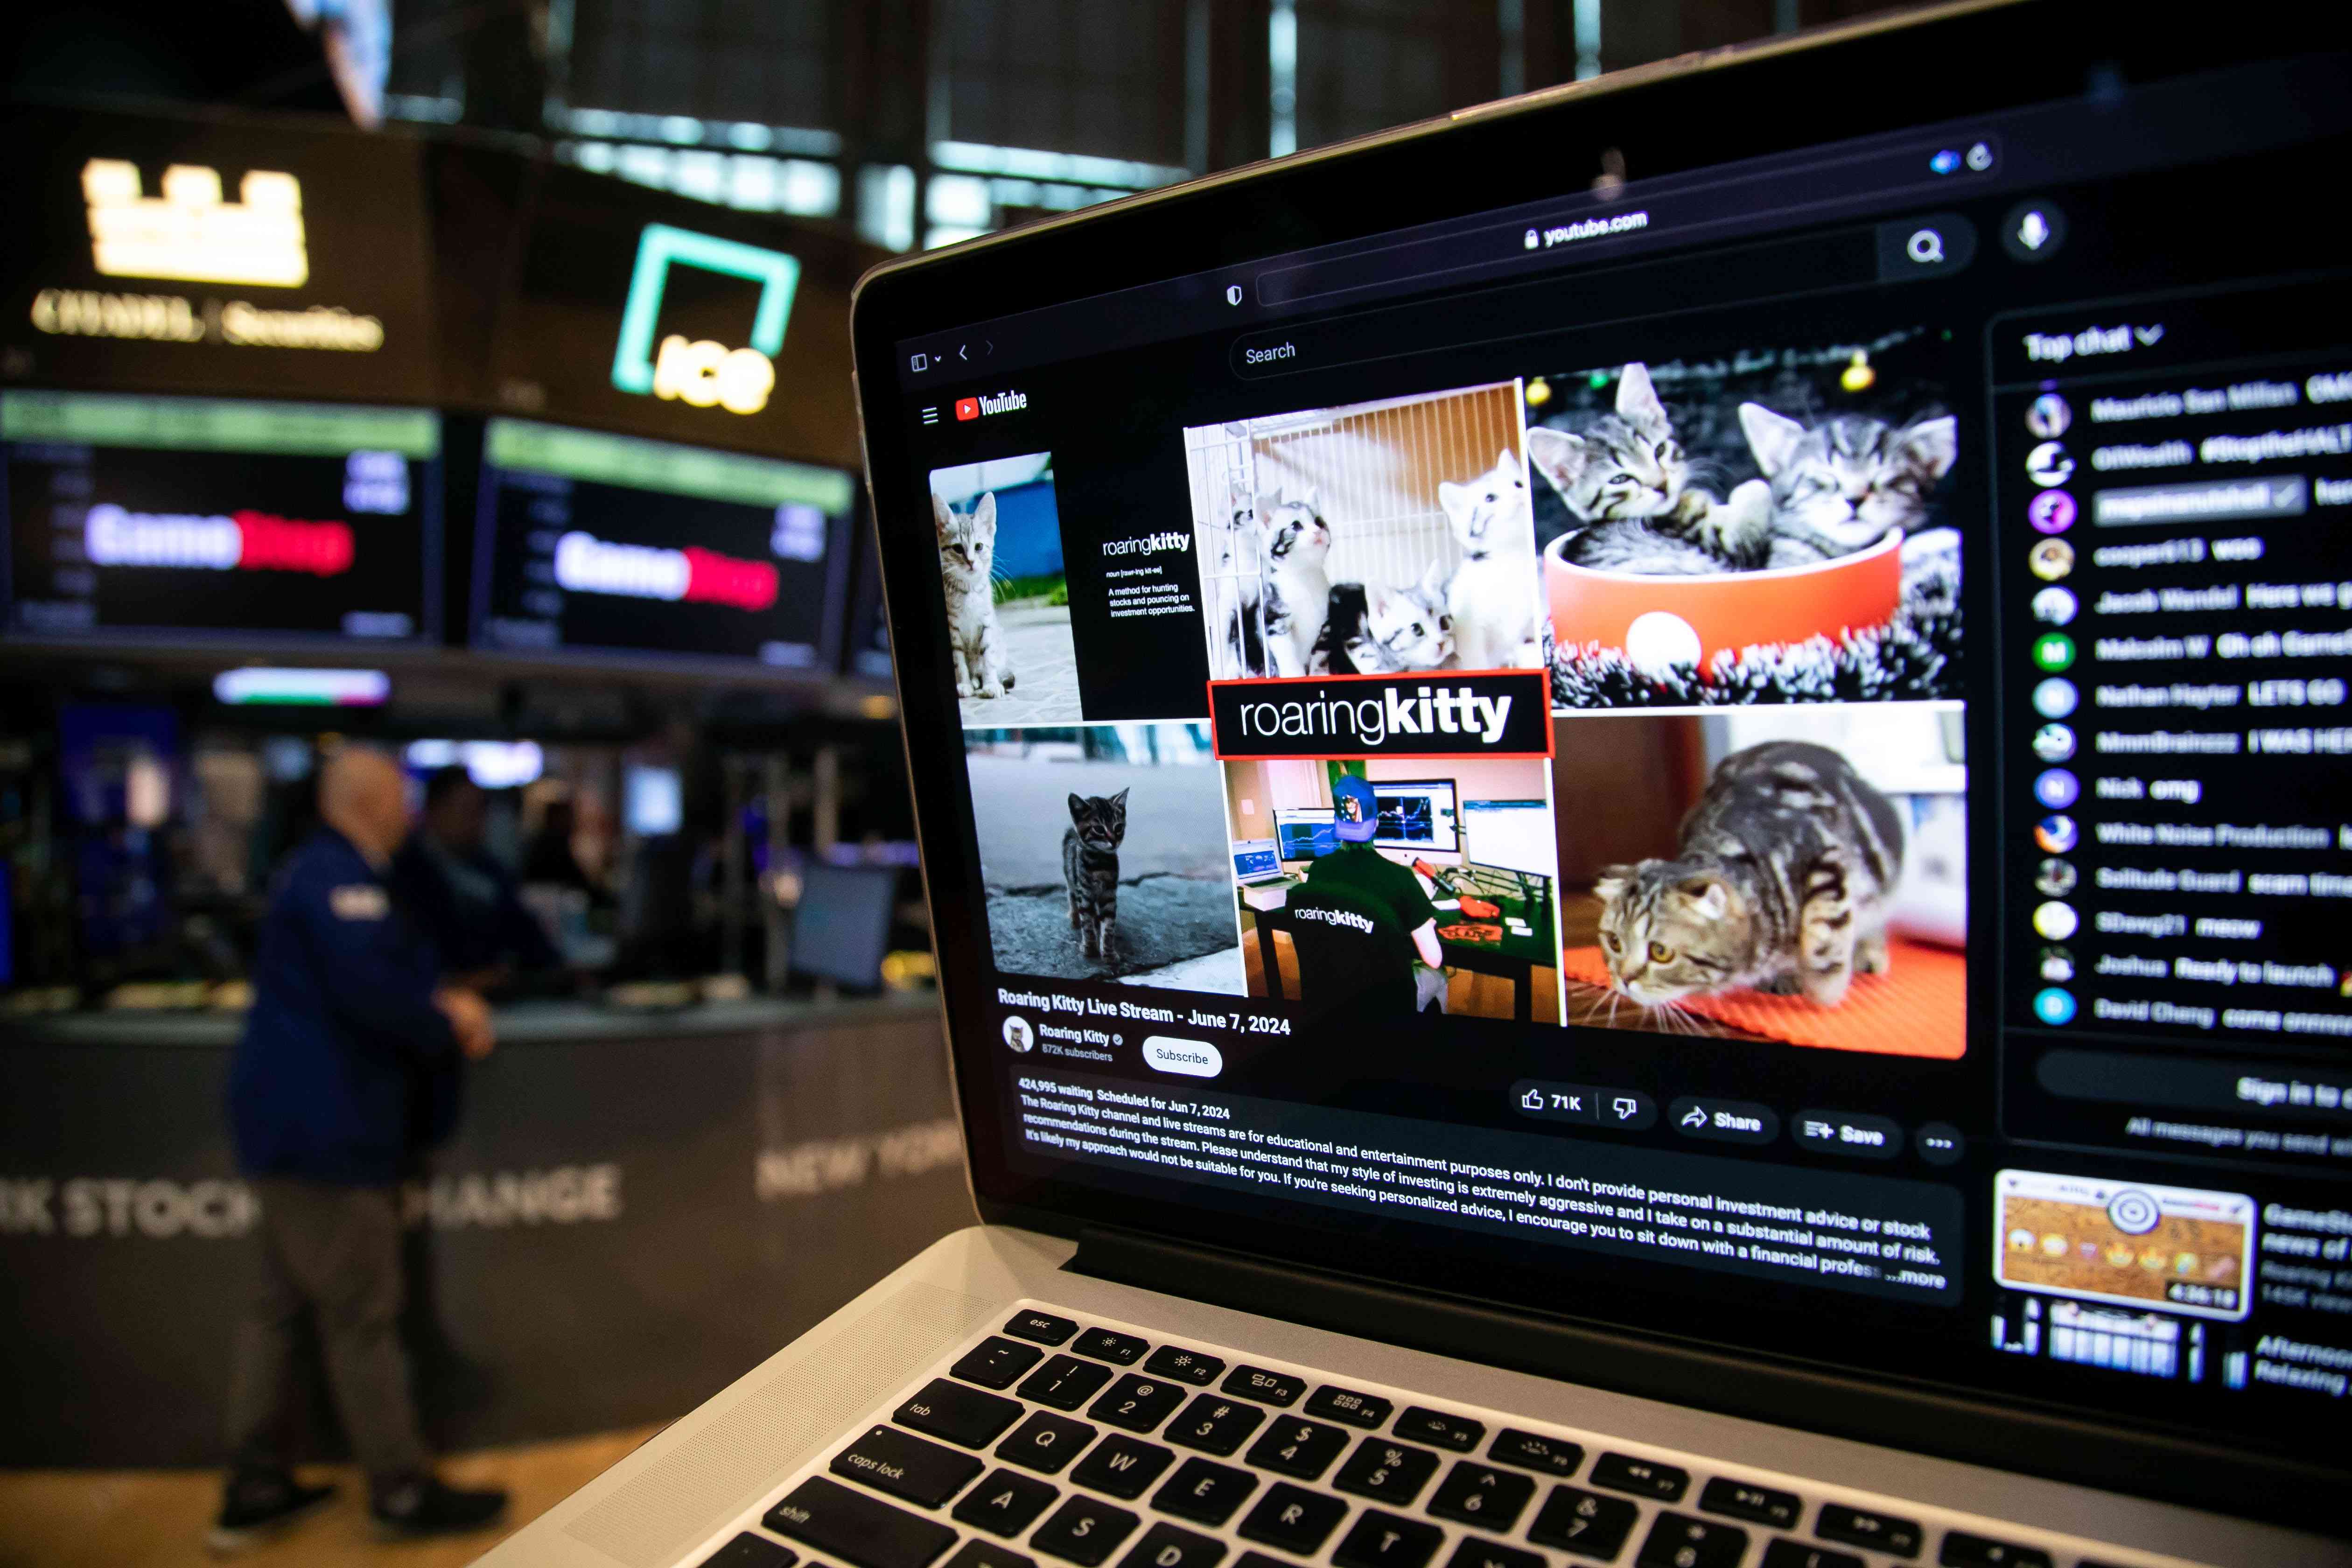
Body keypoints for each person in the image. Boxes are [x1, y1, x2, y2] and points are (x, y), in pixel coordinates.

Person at [211, 748, 508, 1551]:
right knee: (363, 1317)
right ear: (374, 801)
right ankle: (399, 1490)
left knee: (276, 1309)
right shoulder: (340, 878)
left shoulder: (318, 870)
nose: (410, 813)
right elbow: (375, 994)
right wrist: (449, 1014)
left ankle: (254, 1484)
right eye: (403, 798)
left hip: (290, 1132)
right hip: (328, 1136)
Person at [392, 765, 560, 992]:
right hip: (433, 1003)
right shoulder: (405, 871)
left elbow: (531, 939)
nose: (475, 821)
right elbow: (405, 954)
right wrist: (457, 980)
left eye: (480, 811)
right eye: (464, 810)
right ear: (433, 810)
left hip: (498, 1001)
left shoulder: (491, 871)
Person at [1302, 774, 1450, 1012]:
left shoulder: (1318, 870)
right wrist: (1426, 923)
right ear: (1377, 823)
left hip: (1332, 994)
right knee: (1439, 974)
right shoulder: (1401, 878)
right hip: (1385, 1000)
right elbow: (1434, 959)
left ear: (1337, 824)